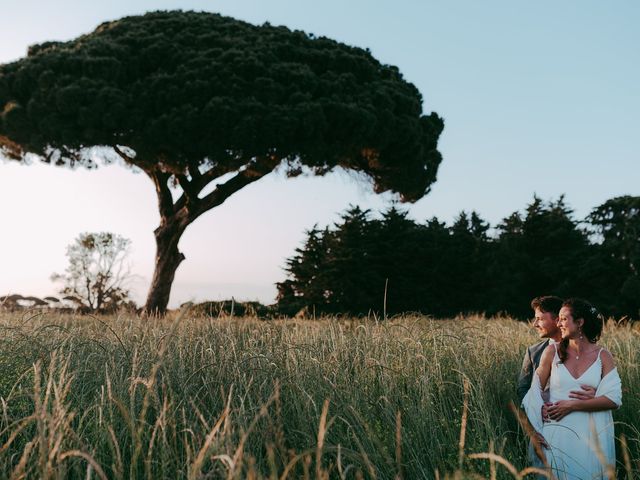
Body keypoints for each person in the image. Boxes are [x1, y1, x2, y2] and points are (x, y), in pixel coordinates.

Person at [522, 298, 622, 479]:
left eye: (563, 319)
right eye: (558, 319)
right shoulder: (551, 352)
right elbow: (532, 392)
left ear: (580, 322)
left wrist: (572, 405)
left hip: (592, 434)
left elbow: (614, 399)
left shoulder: (603, 355)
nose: (558, 323)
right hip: (557, 432)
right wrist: (536, 426)